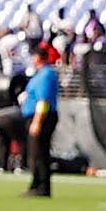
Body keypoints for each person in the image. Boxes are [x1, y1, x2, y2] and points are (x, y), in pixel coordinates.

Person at [22, 40, 64, 197]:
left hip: (42, 117)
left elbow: (43, 101)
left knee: (39, 153)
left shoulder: (46, 75)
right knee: (36, 152)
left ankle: (41, 185)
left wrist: (37, 122)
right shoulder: (41, 75)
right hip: (36, 116)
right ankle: (36, 183)